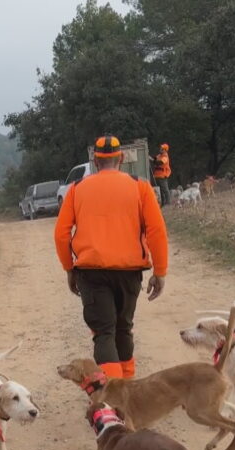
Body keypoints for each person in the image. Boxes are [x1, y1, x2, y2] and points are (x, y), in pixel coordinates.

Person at [54, 135, 168, 380]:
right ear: (122, 158)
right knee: (123, 328)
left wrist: (69, 268)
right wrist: (160, 271)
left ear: (95, 161)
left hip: (91, 273)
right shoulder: (141, 187)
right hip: (129, 273)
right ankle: (125, 386)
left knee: (104, 333)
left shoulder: (76, 189)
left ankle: (112, 392)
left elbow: (61, 234)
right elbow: (156, 231)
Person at [151, 143, 171, 207]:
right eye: (160, 148)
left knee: (165, 190)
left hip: (163, 175)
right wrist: (151, 158)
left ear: (165, 150)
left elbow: (160, 162)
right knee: (160, 191)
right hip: (157, 175)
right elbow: (154, 158)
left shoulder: (165, 156)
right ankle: (163, 203)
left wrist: (153, 161)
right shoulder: (160, 155)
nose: (160, 149)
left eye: (162, 148)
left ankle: (168, 203)